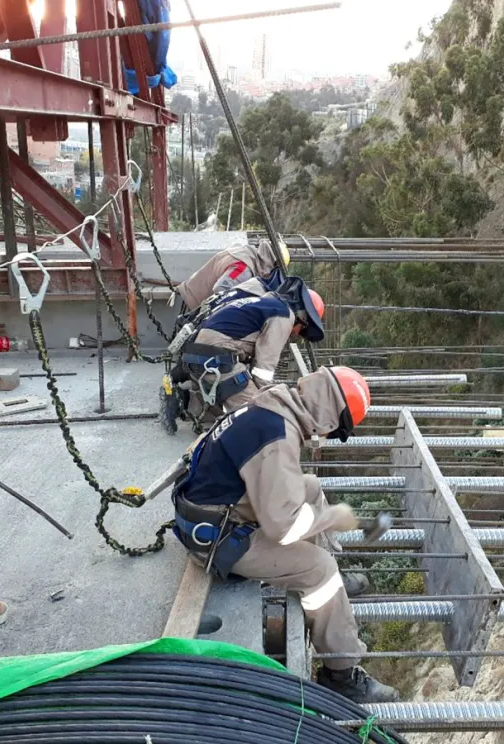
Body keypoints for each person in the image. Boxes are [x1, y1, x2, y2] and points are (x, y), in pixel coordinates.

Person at [170, 366, 400, 704]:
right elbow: (284, 526)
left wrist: (324, 517)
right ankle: (342, 675)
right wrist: (332, 517)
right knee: (319, 569)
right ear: (331, 415)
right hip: (219, 538)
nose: (331, 434)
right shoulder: (277, 438)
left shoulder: (272, 406)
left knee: (310, 485)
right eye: (338, 429)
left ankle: (331, 585)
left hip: (217, 508)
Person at [170, 276, 325, 420]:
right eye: (302, 330)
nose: (297, 334)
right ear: (301, 317)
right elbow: (263, 368)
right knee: (258, 414)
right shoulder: (284, 316)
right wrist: (267, 397)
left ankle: (180, 401)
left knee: (222, 408)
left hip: (196, 356)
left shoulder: (262, 303)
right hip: (216, 359)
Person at [175, 238, 289, 312]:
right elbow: (220, 289)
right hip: (194, 303)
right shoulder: (244, 268)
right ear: (272, 263)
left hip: (192, 295)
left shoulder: (245, 252)